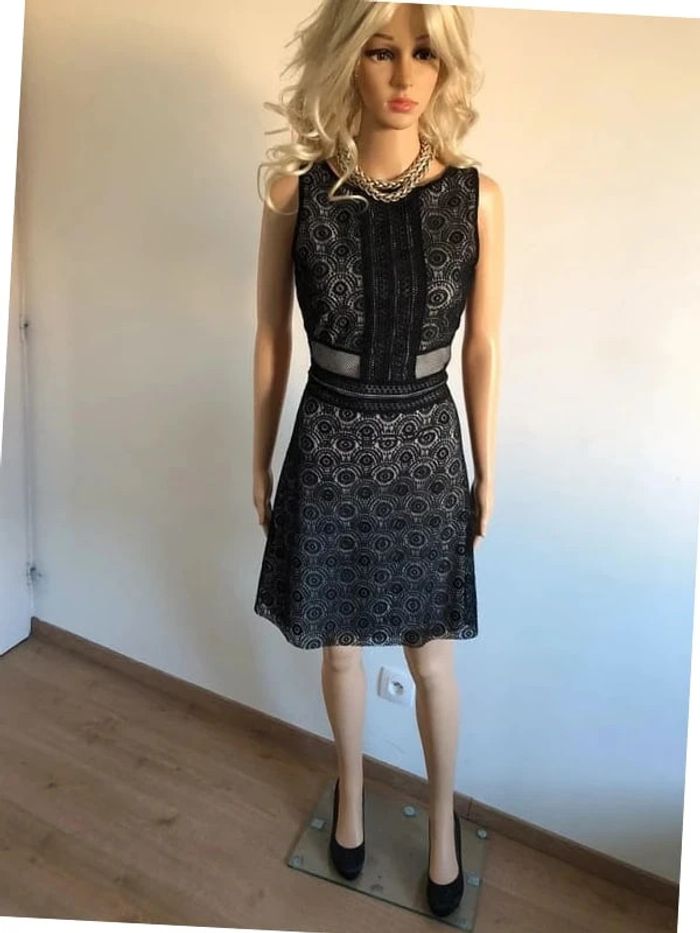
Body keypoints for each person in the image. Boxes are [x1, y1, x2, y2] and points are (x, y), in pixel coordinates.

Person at [252, 0, 503, 918]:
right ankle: (351, 799)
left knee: (431, 657)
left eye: (424, 54)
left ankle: (440, 828)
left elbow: (481, 346)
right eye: (381, 52)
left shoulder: (477, 196)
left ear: (446, 67)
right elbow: (270, 339)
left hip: (427, 450)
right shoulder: (297, 193)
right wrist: (258, 458)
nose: (404, 77)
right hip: (330, 440)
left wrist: (487, 466)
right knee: (341, 649)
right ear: (346, 60)